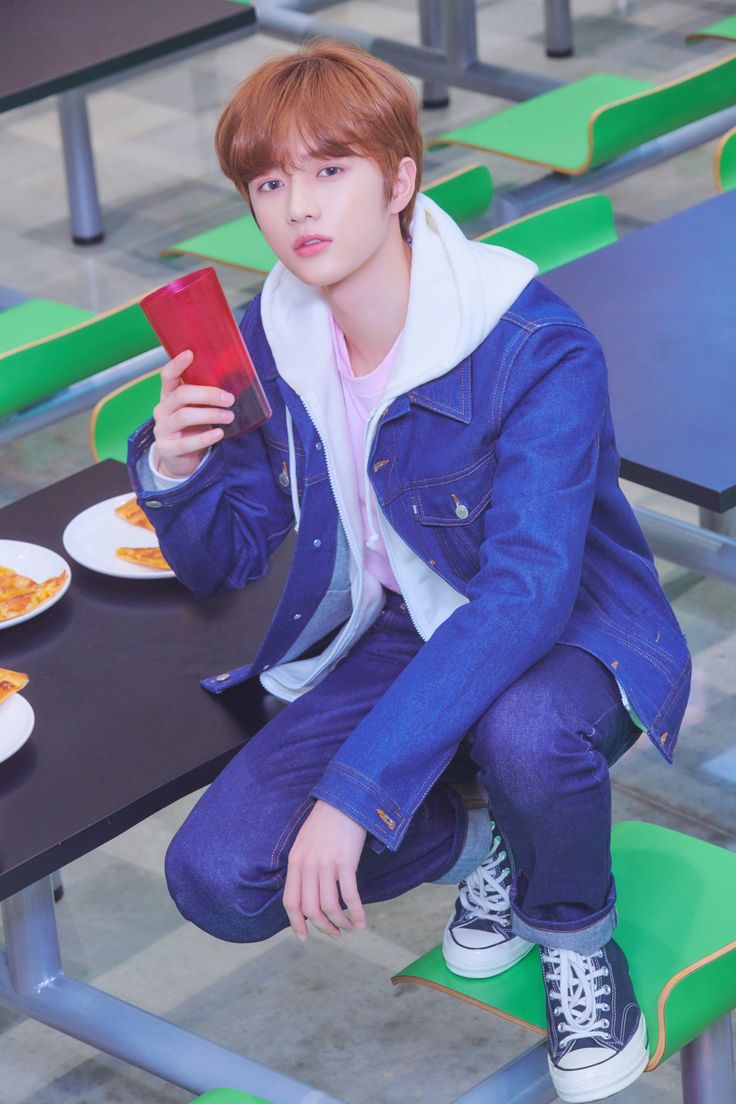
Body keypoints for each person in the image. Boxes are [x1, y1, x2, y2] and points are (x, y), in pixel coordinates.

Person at [128, 39, 691, 1103]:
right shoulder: (277, 335)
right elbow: (226, 561)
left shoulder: (532, 344)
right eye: (270, 181)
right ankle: (487, 839)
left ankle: (570, 927)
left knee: (522, 728)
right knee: (218, 879)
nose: (299, 205)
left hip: (574, 628)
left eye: (330, 170)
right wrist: (173, 467)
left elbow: (524, 595)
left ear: (399, 180)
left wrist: (356, 790)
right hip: (403, 626)